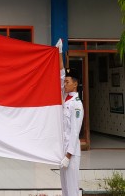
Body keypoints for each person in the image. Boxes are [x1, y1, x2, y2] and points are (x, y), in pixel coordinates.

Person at [56, 39, 84, 196]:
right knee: (65, 190)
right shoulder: (65, 97)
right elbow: (61, 74)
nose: (64, 84)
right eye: (65, 82)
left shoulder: (77, 104)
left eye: (67, 82)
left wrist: (68, 155)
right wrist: (59, 53)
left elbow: (74, 132)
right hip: (63, 151)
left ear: (75, 84)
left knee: (72, 190)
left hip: (71, 154)